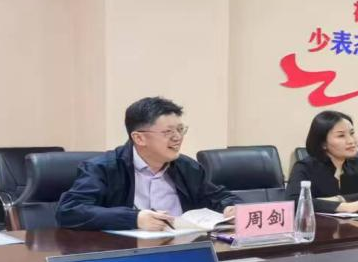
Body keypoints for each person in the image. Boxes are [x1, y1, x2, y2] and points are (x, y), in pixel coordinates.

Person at [57, 97, 240, 231]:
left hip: (182, 248)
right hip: (126, 254)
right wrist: (134, 219)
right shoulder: (103, 168)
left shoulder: (187, 167)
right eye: (168, 132)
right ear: (139, 138)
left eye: (180, 130)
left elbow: (219, 196)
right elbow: (70, 211)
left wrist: (231, 207)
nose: (177, 138)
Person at [289, 110, 358, 214]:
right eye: (341, 136)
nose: (351, 141)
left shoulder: (355, 164)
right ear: (323, 143)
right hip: (319, 224)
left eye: (352, 133)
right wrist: (342, 207)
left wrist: (339, 199)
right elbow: (295, 202)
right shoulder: (305, 167)